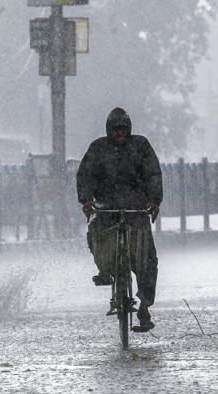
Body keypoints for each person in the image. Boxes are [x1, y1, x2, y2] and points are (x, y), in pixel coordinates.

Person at [76, 107, 163, 332]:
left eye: (123, 129)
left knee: (146, 259)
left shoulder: (141, 146)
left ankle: (144, 306)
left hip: (136, 210)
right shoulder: (98, 149)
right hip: (106, 210)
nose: (119, 134)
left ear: (129, 129)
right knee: (96, 236)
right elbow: (85, 175)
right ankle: (106, 271)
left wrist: (153, 201)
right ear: (108, 130)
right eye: (115, 130)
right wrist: (86, 200)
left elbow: (153, 173)